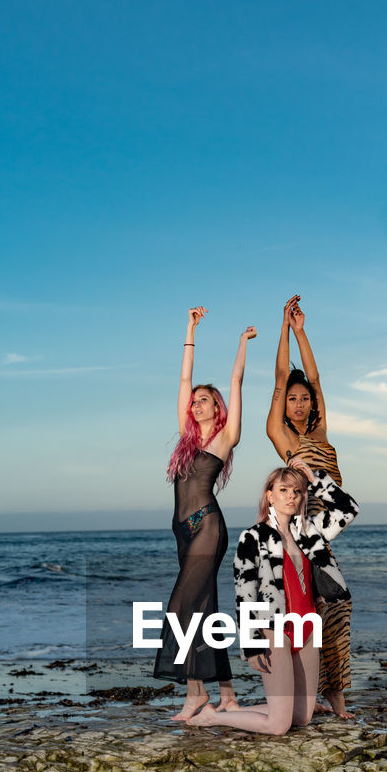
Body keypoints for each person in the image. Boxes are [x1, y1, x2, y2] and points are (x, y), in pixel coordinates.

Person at [189, 460, 357, 736]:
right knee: (279, 727)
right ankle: (212, 718)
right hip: (275, 632)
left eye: (297, 491)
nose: (291, 496)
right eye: (283, 490)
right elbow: (245, 595)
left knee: (301, 719)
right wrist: (252, 645)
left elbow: (348, 509)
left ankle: (231, 710)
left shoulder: (308, 533)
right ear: (269, 495)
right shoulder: (252, 538)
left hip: (308, 628)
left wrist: (314, 478)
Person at [155, 308, 257, 721]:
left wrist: (241, 345)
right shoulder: (187, 436)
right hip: (182, 530)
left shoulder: (226, 438)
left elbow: (235, 382)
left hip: (207, 527)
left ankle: (195, 695)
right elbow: (182, 380)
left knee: (181, 607)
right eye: (194, 401)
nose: (196, 405)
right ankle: (228, 694)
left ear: (218, 406)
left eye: (204, 400)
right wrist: (190, 331)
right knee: (202, 611)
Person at [265, 296, 354, 718]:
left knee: (335, 606)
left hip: (324, 531)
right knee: (308, 609)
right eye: (293, 399)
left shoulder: (319, 432)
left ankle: (331, 694)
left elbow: (314, 379)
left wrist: (303, 332)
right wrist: (283, 327)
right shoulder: (282, 435)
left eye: (304, 399)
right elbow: (282, 377)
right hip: (301, 532)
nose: (299, 403)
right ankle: (311, 695)